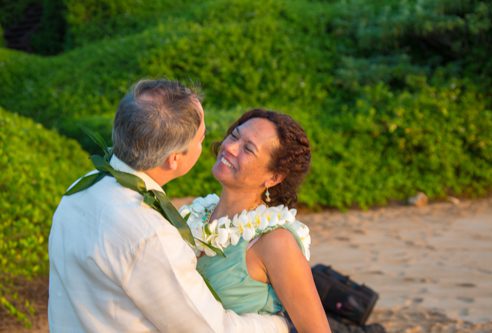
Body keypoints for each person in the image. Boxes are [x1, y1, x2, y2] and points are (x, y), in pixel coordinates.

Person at [48, 80, 289, 332]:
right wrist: (278, 325)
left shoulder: (82, 188)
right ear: (174, 159)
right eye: (201, 138)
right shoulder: (149, 235)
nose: (223, 146)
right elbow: (208, 328)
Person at [180, 109, 331, 333]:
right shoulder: (195, 214)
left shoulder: (275, 241)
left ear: (274, 177)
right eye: (234, 136)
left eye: (248, 149)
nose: (230, 147)